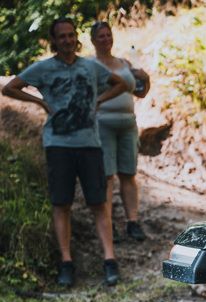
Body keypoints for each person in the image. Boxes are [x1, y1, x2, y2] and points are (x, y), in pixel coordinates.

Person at [2, 17, 127, 287]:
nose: (68, 40)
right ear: (54, 40)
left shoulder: (90, 67)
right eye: (62, 36)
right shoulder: (44, 68)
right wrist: (41, 102)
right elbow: (9, 87)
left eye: (71, 35)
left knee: (98, 202)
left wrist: (98, 100)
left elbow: (121, 83)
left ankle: (110, 260)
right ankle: (66, 262)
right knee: (62, 204)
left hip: (89, 143)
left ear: (76, 38)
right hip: (58, 144)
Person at [89, 21, 150, 242]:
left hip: (128, 123)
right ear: (93, 40)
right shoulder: (90, 64)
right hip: (102, 122)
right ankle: (108, 223)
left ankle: (132, 221)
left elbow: (140, 93)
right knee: (107, 175)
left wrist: (146, 78)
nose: (106, 39)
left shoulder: (124, 63)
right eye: (101, 36)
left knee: (129, 173)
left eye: (108, 35)